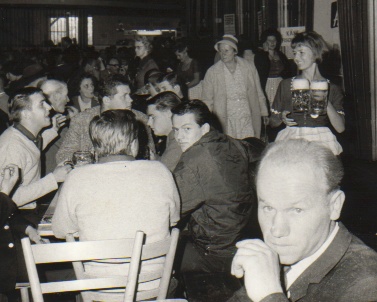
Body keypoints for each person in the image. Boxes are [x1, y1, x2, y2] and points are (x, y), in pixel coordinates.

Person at [228, 139, 377, 302]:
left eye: (296, 210)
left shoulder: (366, 285)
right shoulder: (286, 254)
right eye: (268, 208)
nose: (277, 230)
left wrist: (269, 296)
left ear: (334, 205)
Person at [52, 110, 180, 291]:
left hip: (99, 287)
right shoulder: (160, 171)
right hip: (155, 285)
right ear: (135, 145)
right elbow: (174, 219)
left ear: (95, 148)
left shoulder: (76, 177)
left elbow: (60, 231)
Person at [172, 100, 258, 273]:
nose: (179, 136)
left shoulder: (194, 159)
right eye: (175, 130)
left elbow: (171, 211)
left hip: (214, 249)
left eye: (187, 129)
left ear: (204, 129)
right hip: (242, 236)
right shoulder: (232, 142)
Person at [269, 31, 345, 155]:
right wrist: (281, 118)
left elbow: (340, 128)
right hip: (292, 141)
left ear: (316, 54)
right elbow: (272, 122)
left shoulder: (333, 88)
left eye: (301, 53)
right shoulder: (286, 84)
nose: (296, 58)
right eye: (294, 53)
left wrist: (324, 99)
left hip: (320, 142)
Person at [0, 87, 72, 209]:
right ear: (26, 114)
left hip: (27, 210)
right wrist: (54, 178)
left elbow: (30, 150)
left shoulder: (23, 135)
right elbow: (8, 198)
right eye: (41, 104)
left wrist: (53, 129)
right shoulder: (11, 147)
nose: (49, 107)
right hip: (17, 216)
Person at [56, 78, 155, 163]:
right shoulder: (81, 120)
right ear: (106, 100)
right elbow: (63, 156)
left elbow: (150, 155)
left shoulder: (140, 119)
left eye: (129, 95)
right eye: (124, 96)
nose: (130, 100)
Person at [202, 34, 268, 139]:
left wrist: (263, 112)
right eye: (221, 51)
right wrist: (206, 121)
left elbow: (258, 91)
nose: (223, 54)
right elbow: (207, 99)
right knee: (229, 147)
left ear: (235, 51)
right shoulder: (212, 72)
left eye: (227, 51)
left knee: (249, 145)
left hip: (247, 116)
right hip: (225, 118)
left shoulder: (248, 67)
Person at [41, 79, 79, 174]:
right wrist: (76, 122)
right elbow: (71, 146)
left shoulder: (44, 115)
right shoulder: (52, 120)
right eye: (66, 95)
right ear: (56, 96)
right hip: (52, 171)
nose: (68, 100)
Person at [254, 29, 291, 106]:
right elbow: (262, 70)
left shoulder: (280, 55)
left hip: (280, 84)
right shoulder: (260, 55)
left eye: (274, 40)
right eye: (269, 40)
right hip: (267, 85)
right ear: (264, 41)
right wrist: (265, 52)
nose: (272, 42)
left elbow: (287, 71)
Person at [146, 91, 182, 171]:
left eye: (153, 117)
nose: (148, 123)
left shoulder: (178, 141)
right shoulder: (173, 136)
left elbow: (162, 172)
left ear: (169, 113)